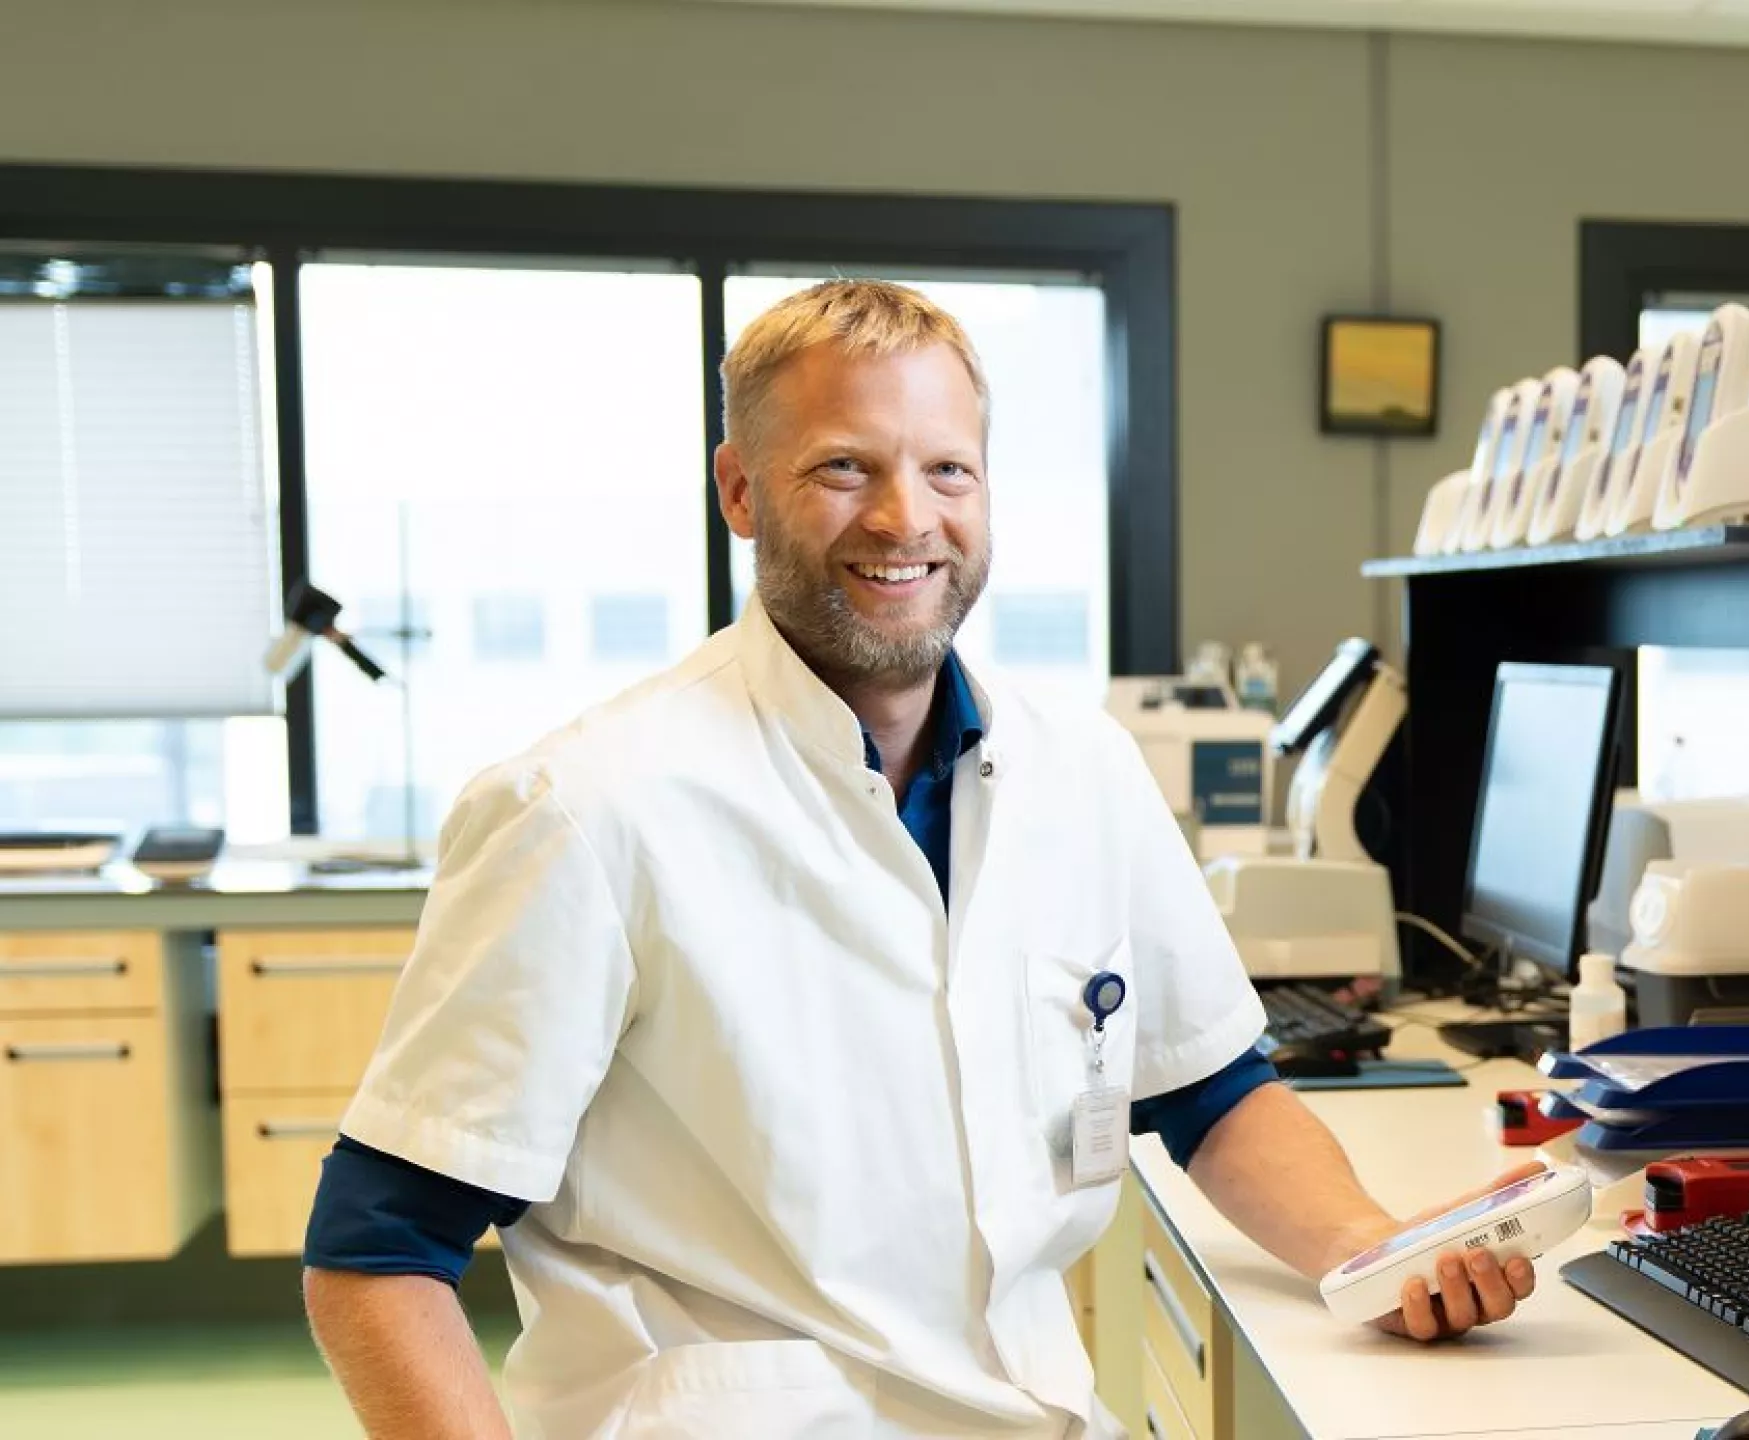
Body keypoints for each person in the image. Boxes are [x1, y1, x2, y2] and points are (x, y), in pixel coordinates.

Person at [302, 281, 1537, 1439]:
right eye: (845, 467)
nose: (906, 518)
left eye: (948, 469)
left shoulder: (1082, 775)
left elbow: (1209, 1095)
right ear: (739, 492)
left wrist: (1379, 1255)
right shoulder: (585, 809)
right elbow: (375, 1255)